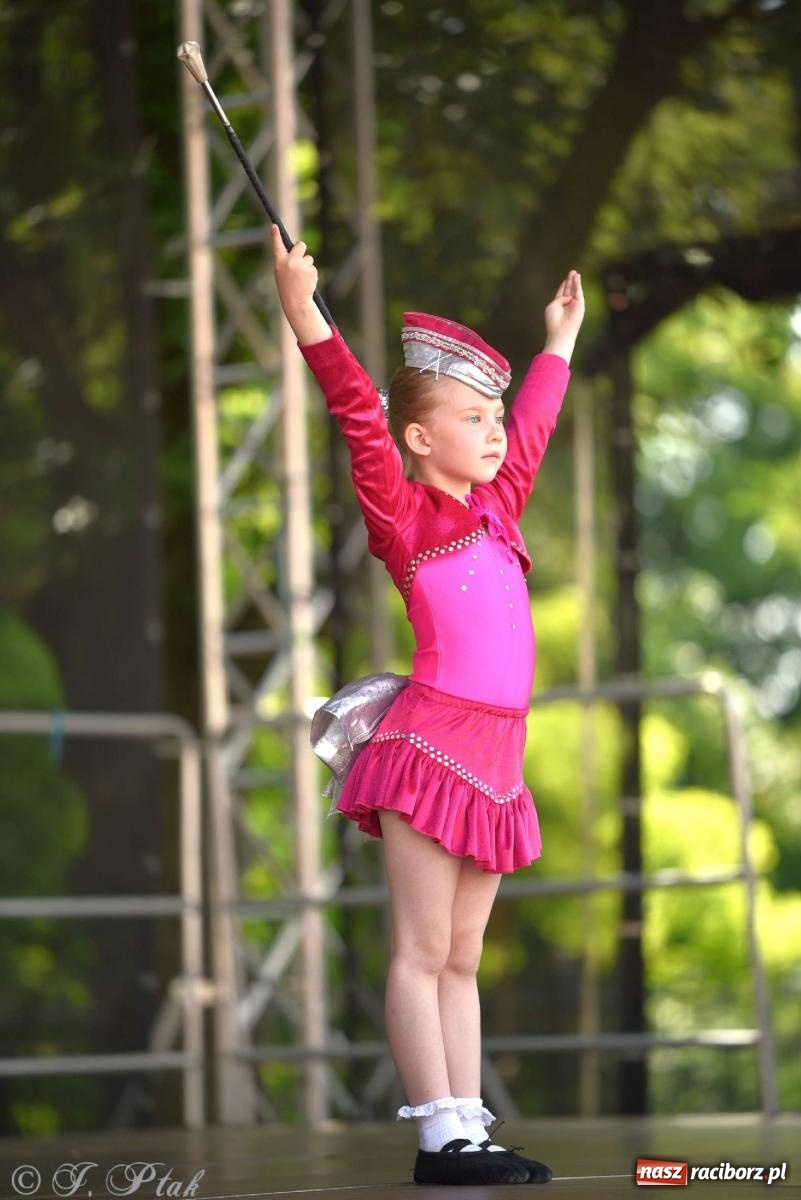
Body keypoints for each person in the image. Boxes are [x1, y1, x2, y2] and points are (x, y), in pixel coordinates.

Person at [271, 224, 584, 1186]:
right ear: (420, 439)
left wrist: (556, 347)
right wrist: (300, 309)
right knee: (418, 947)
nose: (495, 431)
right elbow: (357, 417)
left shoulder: (500, 509)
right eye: (472, 417)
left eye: (495, 417)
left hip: (495, 758)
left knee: (459, 955)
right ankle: (438, 1137)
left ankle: (469, 1128)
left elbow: (531, 430)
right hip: (429, 745)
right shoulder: (407, 517)